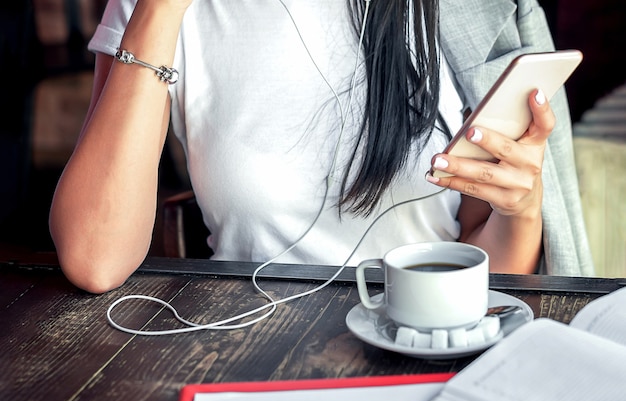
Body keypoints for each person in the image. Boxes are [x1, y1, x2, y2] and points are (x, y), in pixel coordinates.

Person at [49, 0, 594, 294]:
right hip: (248, 347)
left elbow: (490, 275)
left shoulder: (463, 13)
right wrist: (160, 10)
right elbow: (94, 260)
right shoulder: (153, 13)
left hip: (430, 345)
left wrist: (518, 209)